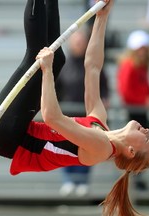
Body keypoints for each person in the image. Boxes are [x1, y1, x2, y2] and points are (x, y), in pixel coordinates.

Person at [0, 0, 149, 215]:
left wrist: (47, 71)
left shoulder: (101, 147)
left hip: (9, 137)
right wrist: (102, 18)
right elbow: (93, 67)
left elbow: (52, 118)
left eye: (148, 140)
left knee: (37, 59)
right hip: (17, 131)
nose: (148, 131)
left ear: (131, 151)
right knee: (58, 60)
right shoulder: (99, 123)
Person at [56, 30, 109, 197]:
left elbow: (104, 86)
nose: (79, 44)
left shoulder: (91, 64)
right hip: (67, 116)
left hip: (88, 116)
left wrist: (105, 101)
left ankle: (83, 182)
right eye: (76, 41)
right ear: (71, 43)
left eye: (81, 41)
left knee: (87, 148)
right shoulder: (63, 65)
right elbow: (55, 89)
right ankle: (69, 181)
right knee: (66, 148)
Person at [117, 30, 149, 191]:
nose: (143, 51)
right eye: (140, 48)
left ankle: (138, 177)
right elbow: (126, 92)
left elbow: (146, 88)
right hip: (133, 112)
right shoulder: (129, 65)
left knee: (140, 147)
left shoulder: (141, 66)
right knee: (134, 147)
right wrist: (144, 101)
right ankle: (134, 179)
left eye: (144, 48)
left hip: (140, 111)